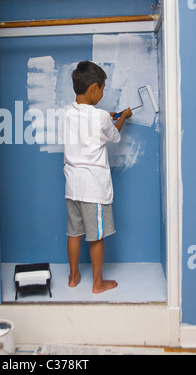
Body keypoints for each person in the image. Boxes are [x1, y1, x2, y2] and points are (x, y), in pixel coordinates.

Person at [60, 61, 132, 293]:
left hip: (72, 187)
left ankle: (73, 277)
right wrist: (123, 117)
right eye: (102, 88)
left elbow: (85, 124)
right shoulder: (101, 117)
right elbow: (114, 133)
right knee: (96, 238)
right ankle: (98, 284)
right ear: (93, 88)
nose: (102, 93)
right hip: (93, 189)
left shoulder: (65, 113)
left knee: (74, 233)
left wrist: (104, 116)